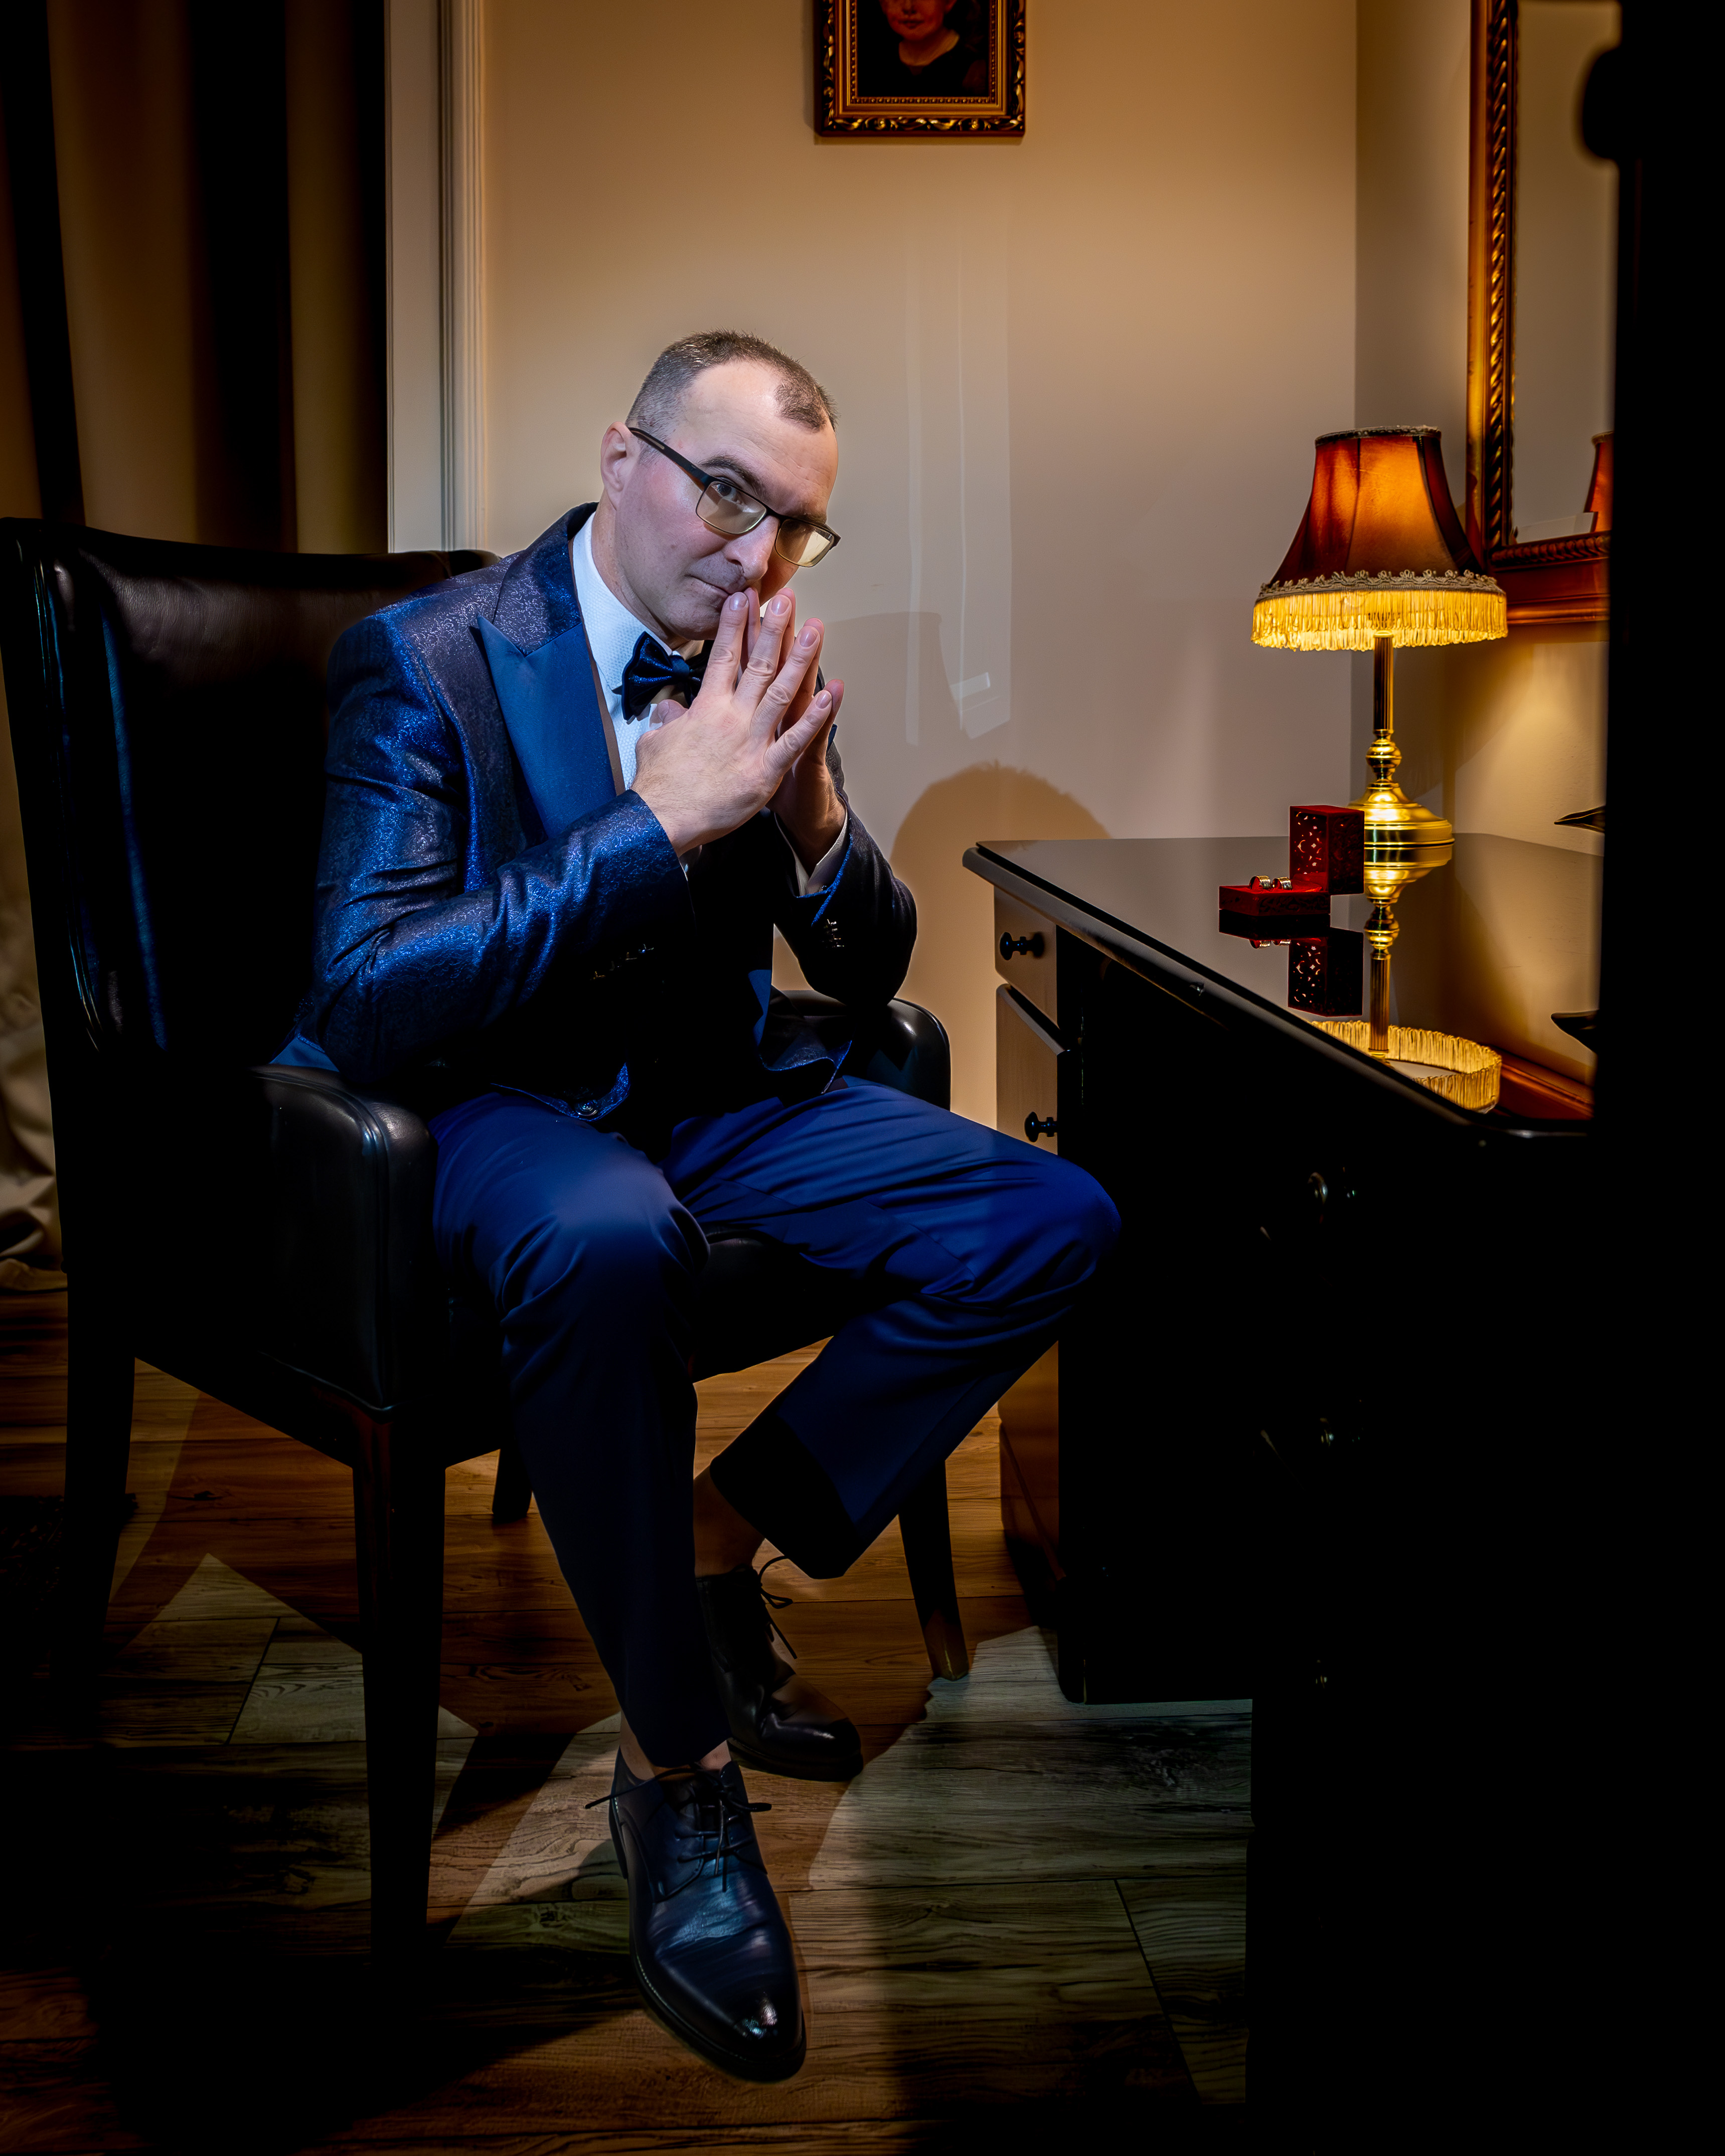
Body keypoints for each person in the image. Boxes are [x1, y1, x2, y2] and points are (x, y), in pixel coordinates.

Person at [285, 330, 1117, 2081]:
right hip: (493, 1102)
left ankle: (711, 1540)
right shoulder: (426, 658)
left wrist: (809, 818)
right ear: (623, 456)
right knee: (606, 1235)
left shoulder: (751, 651)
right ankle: (676, 1767)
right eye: (727, 494)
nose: (758, 553)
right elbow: (363, 996)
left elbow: (867, 962)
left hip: (707, 1085)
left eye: (797, 522)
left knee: (1049, 1216)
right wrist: (654, 825)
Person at [860, 0, 989, 98]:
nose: (908, 8)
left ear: (949, 2)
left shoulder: (976, 67)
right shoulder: (869, 65)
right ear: (883, 4)